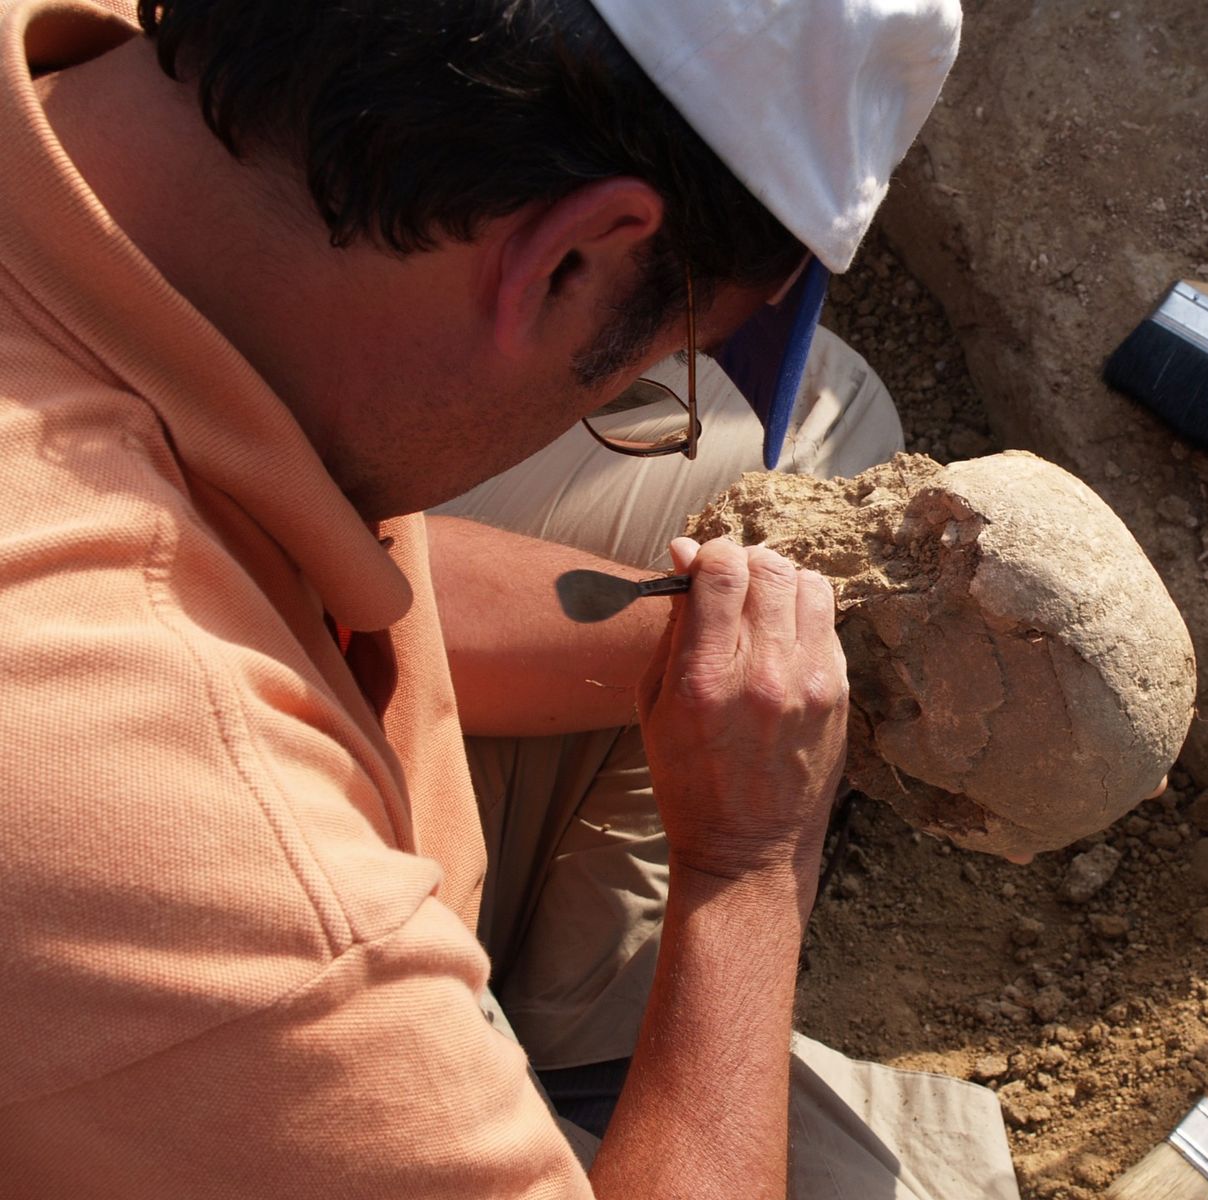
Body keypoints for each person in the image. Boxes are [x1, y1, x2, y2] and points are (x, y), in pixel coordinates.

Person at [0, 0, 1021, 1196]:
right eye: (656, 364)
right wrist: (747, 866)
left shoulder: (109, 104)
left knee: (811, 425)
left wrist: (700, 647)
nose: (649, 387)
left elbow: (372, 570)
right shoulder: (222, 856)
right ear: (571, 257)